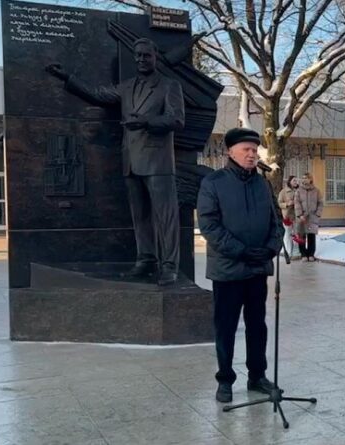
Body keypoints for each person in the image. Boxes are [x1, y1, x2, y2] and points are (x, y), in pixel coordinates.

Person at [46, 38, 185, 285]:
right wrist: (67, 77)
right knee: (140, 215)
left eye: (146, 55)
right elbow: (97, 94)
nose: (141, 59)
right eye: (138, 55)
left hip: (158, 161)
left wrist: (146, 122)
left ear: (155, 57)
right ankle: (147, 259)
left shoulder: (169, 85)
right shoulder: (127, 87)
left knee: (166, 217)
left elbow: (177, 120)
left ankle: (169, 266)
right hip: (131, 159)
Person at [196, 127, 283, 403]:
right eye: (246, 149)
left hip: (257, 269)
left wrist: (270, 248)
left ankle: (257, 376)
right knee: (226, 327)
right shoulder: (213, 183)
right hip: (228, 270)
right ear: (230, 152)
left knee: (257, 326)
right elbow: (209, 225)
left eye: (255, 150)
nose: (252, 154)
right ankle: (225, 380)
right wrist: (242, 252)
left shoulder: (263, 184)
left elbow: (277, 221)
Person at [295, 172, 323, 262]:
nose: (304, 179)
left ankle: (311, 254)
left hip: (312, 216)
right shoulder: (298, 191)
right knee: (301, 235)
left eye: (306, 178)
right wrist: (300, 214)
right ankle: (303, 254)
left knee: (311, 236)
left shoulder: (316, 190)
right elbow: (297, 203)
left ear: (310, 179)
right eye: (303, 178)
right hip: (302, 216)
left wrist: (318, 214)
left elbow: (320, 203)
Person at [278, 176, 300, 257]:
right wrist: (287, 204)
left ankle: (296, 252)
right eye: (294, 180)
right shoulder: (283, 191)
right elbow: (279, 203)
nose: (296, 182)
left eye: (296, 180)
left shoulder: (299, 191)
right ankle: (288, 252)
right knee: (288, 234)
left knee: (297, 234)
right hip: (287, 216)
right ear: (289, 181)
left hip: (297, 216)